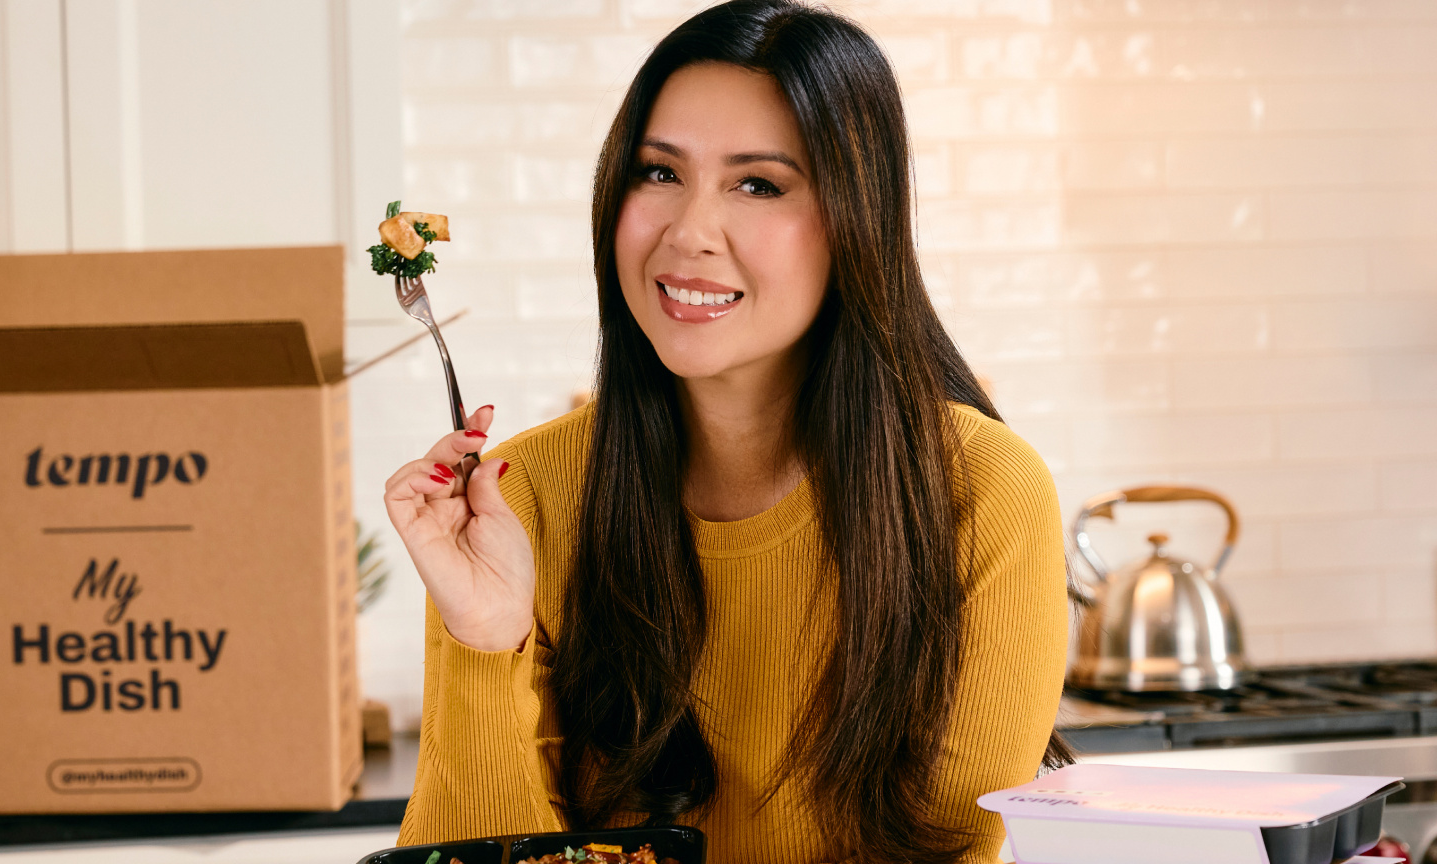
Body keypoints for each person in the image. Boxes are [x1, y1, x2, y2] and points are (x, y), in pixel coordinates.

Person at [383, 2, 1068, 861]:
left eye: (758, 185)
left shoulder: (982, 491)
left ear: (856, 219)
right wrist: (484, 642)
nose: (689, 233)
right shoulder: (515, 502)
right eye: (658, 173)